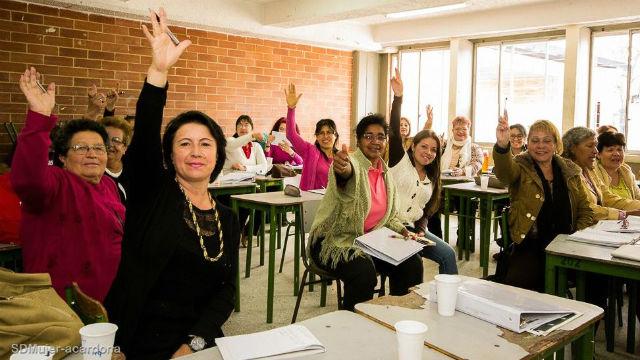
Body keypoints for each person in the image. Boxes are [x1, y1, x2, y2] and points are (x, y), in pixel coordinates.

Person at [105, 8, 239, 358]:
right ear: (170, 155)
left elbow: (227, 292)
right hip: (137, 336)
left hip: (196, 341)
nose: (196, 152)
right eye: (185, 143)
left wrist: (192, 344)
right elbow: (146, 133)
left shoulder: (227, 217)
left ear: (218, 155)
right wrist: (158, 72)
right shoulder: (153, 193)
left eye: (205, 143)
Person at [10, 67, 125, 302]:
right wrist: (39, 117)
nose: (92, 154)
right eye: (81, 148)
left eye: (98, 148)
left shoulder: (109, 186)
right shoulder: (56, 183)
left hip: (109, 302)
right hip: (62, 308)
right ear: (62, 157)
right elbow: (28, 179)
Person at [308, 113, 424, 311]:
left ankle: (398, 315)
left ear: (386, 141)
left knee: (412, 262)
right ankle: (353, 325)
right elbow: (345, 176)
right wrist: (341, 169)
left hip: (369, 241)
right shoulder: (352, 163)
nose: (375, 141)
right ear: (359, 140)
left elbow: (389, 217)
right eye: (368, 136)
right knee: (363, 271)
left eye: (380, 137)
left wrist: (404, 231)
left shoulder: (385, 173)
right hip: (332, 240)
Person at [493, 114, 593, 291]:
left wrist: (576, 237)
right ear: (528, 143)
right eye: (535, 140)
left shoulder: (570, 170)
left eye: (547, 141)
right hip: (530, 244)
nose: (540, 146)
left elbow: (585, 209)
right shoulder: (521, 165)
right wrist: (502, 146)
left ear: (556, 144)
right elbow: (505, 173)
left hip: (567, 241)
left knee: (598, 279)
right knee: (519, 287)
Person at [388, 69, 457, 275]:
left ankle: (449, 297)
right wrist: (398, 98)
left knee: (448, 254)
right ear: (412, 146)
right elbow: (393, 130)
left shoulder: (432, 178)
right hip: (389, 227)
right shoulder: (399, 160)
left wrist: (420, 228)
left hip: (413, 230)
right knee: (413, 263)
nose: (428, 152)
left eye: (434, 149)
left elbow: (426, 211)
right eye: (424, 147)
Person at [561, 127, 640, 221]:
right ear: (573, 148)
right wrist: (624, 214)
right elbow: (584, 209)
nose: (595, 151)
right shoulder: (565, 173)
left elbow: (608, 198)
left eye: (595, 146)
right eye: (590, 146)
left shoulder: (589, 170)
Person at [284, 83, 338, 190]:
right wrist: (291, 108)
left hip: (335, 203)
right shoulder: (309, 151)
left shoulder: (341, 157)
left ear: (335, 135)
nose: (325, 136)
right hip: (310, 201)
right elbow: (291, 134)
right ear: (316, 137)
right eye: (321, 133)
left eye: (329, 132)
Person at [595, 132, 640, 201]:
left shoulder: (626, 170)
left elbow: (638, 196)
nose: (616, 154)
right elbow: (607, 201)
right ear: (598, 154)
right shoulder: (594, 173)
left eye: (619, 149)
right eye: (610, 150)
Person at [100, 116, 132, 203]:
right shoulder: (94, 173)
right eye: (105, 139)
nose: (109, 144)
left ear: (124, 148)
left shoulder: (133, 171)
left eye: (116, 140)